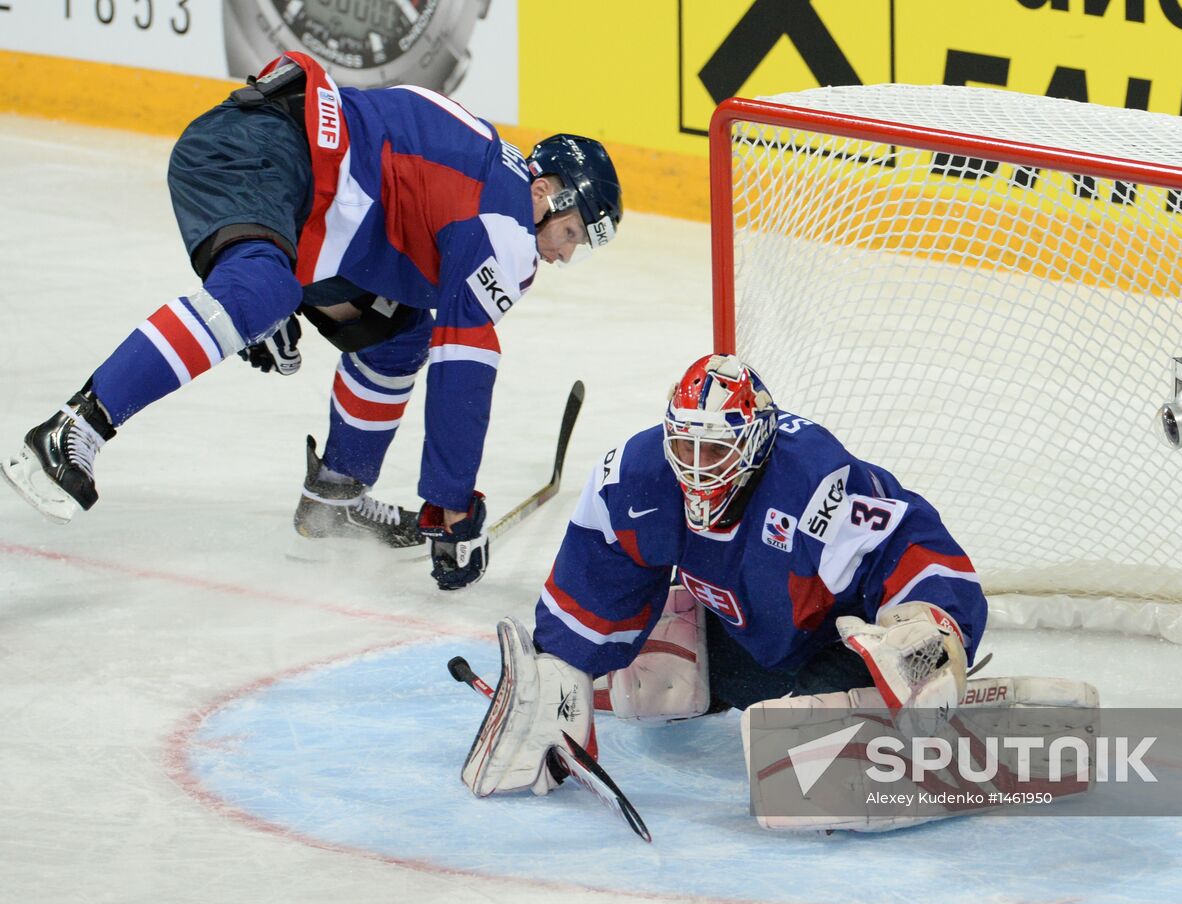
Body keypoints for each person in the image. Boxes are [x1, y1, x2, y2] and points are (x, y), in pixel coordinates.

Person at [2, 51, 622, 591]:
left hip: (298, 193)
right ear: (547, 192)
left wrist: (300, 290)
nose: (566, 253)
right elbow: (464, 359)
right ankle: (75, 426)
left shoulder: (486, 175)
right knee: (259, 291)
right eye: (571, 232)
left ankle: (336, 494)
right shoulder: (507, 224)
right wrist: (452, 510)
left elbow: (371, 193)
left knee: (394, 335)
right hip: (268, 155)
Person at [460, 353, 993, 821]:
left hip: (843, 636)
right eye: (684, 446)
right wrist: (563, 663)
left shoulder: (814, 483)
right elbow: (597, 568)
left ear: (757, 441)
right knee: (659, 673)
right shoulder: (636, 473)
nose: (695, 468)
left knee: (806, 751)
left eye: (714, 451)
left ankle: (910, 693)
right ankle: (698, 669)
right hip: (754, 635)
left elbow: (906, 538)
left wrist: (931, 620)